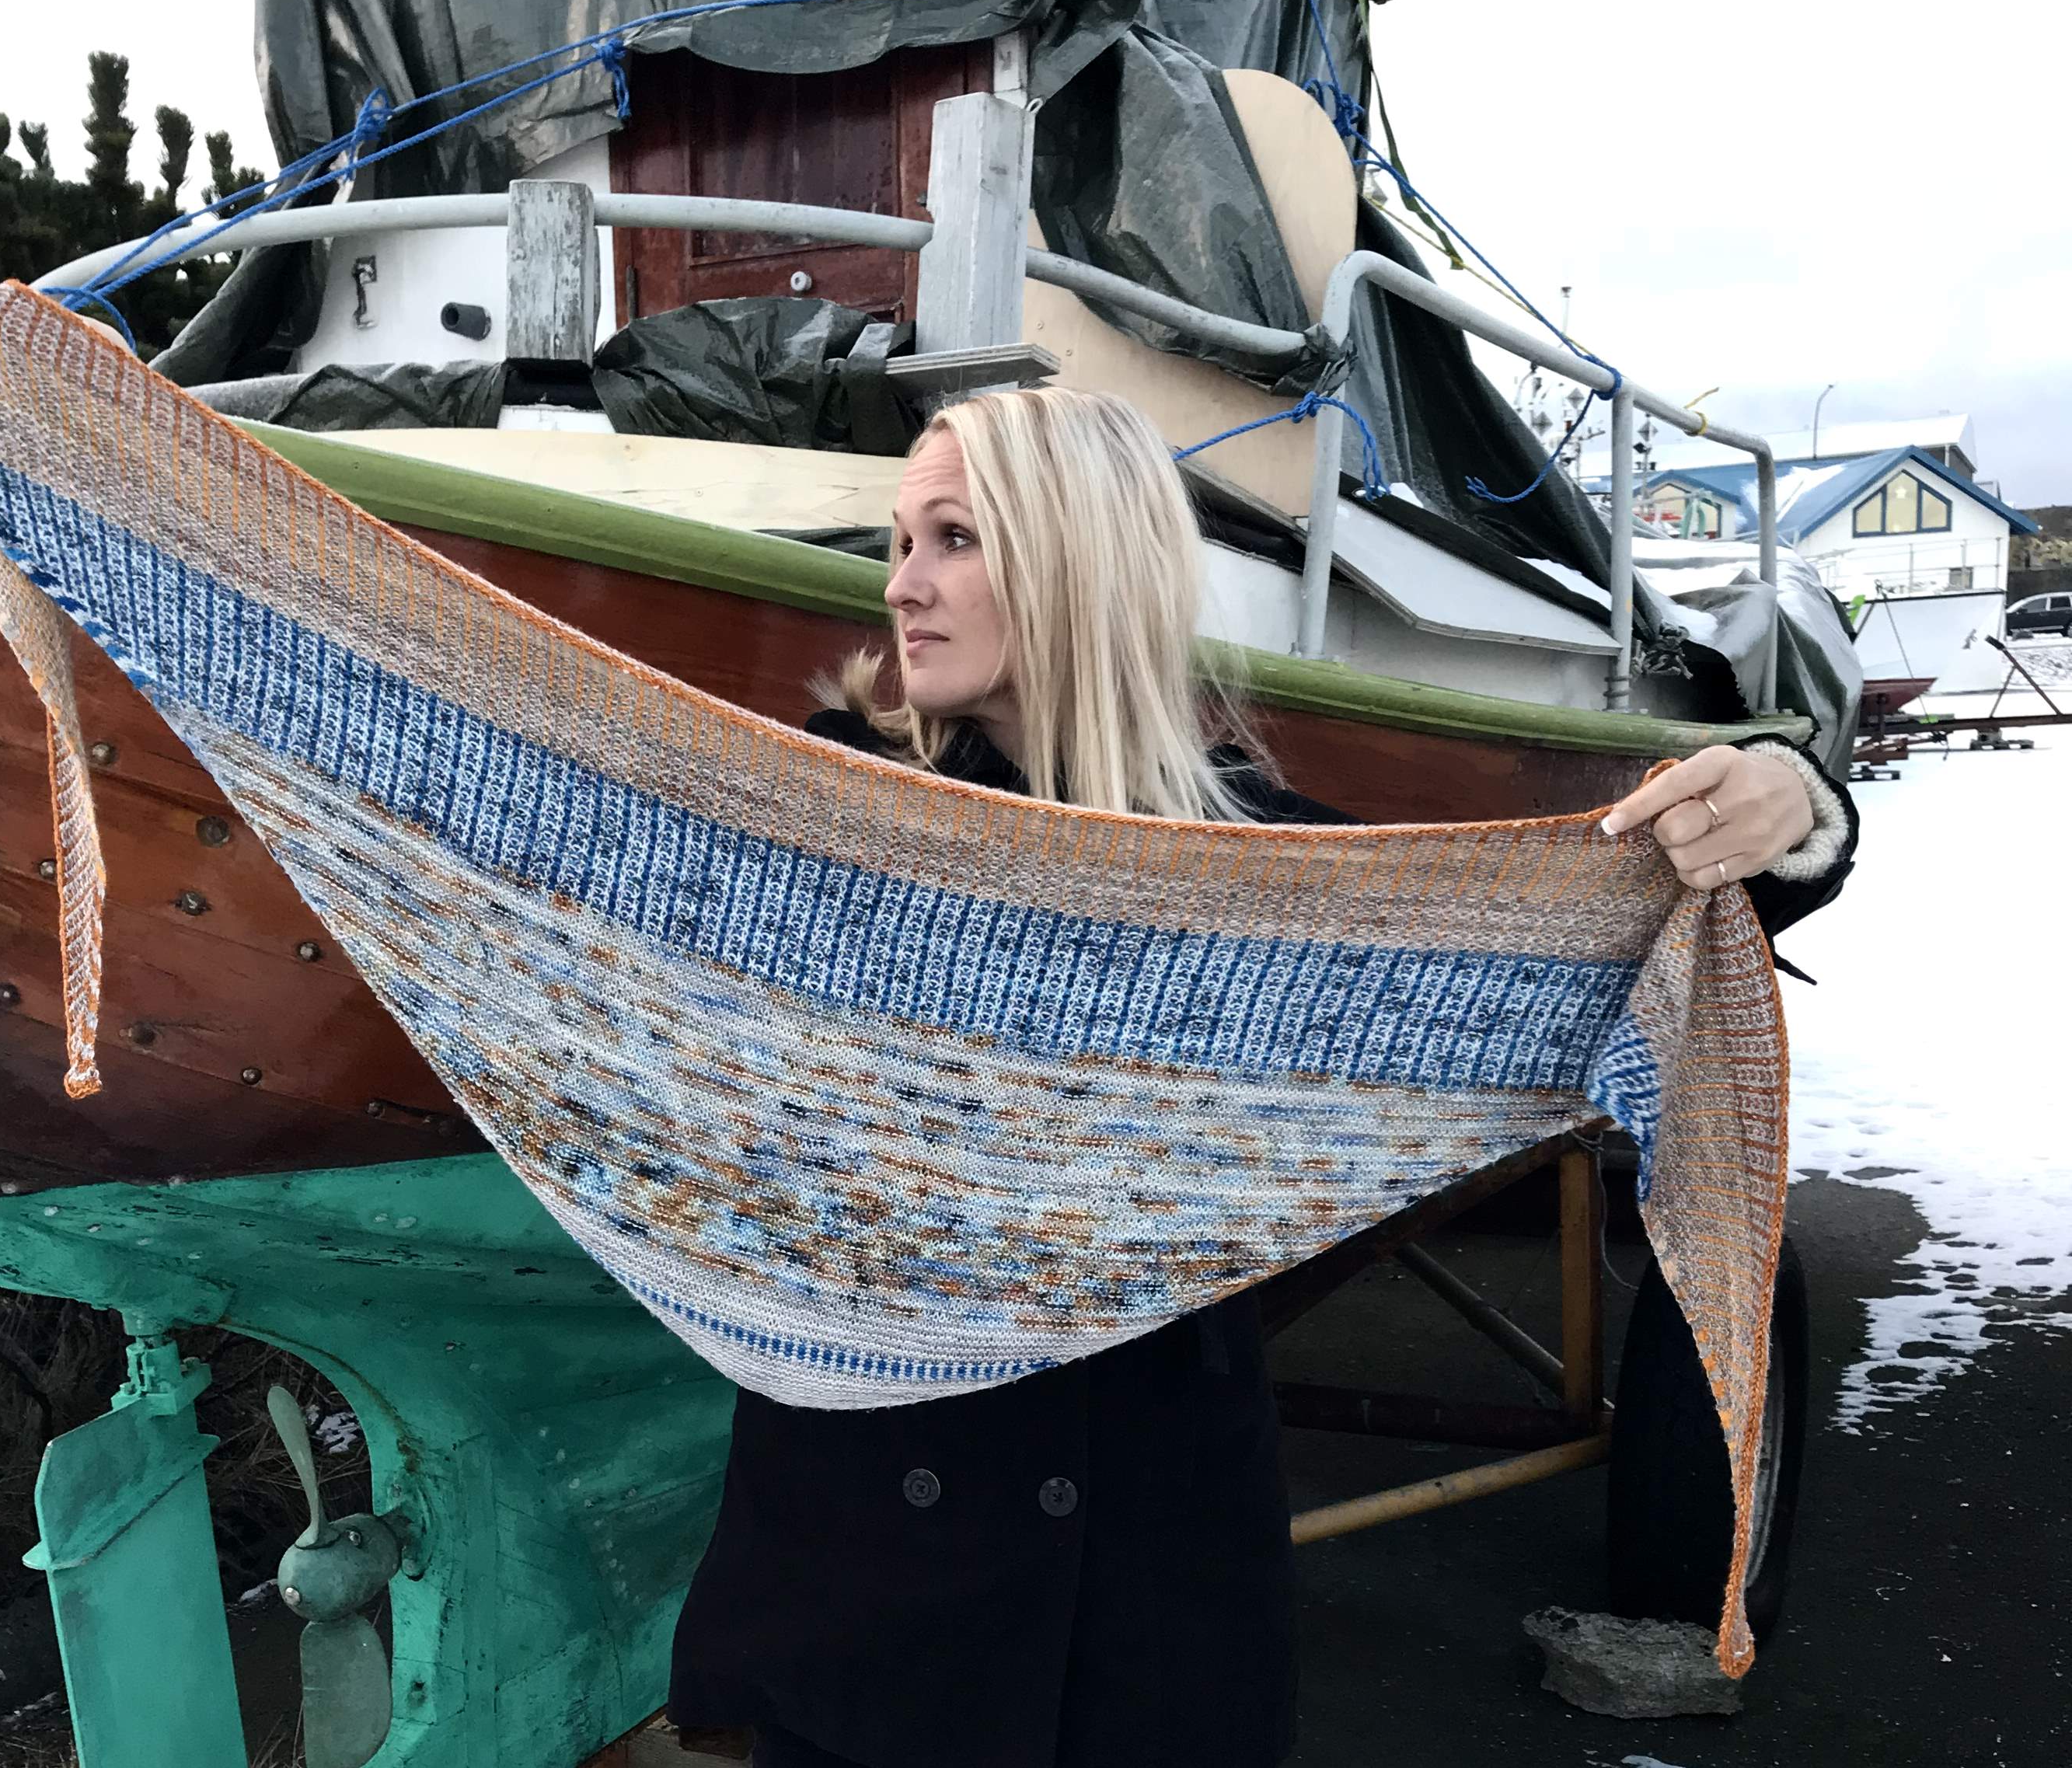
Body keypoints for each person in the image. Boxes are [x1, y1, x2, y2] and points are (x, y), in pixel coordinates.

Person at [667, 385, 1855, 1768]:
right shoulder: (821, 813)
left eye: (954, 538)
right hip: (870, 1565)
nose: (901, 585)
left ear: (1076, 557)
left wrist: (1793, 801)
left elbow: (1588, 934)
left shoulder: (1252, 867)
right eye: (901, 539)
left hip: (1149, 1562)